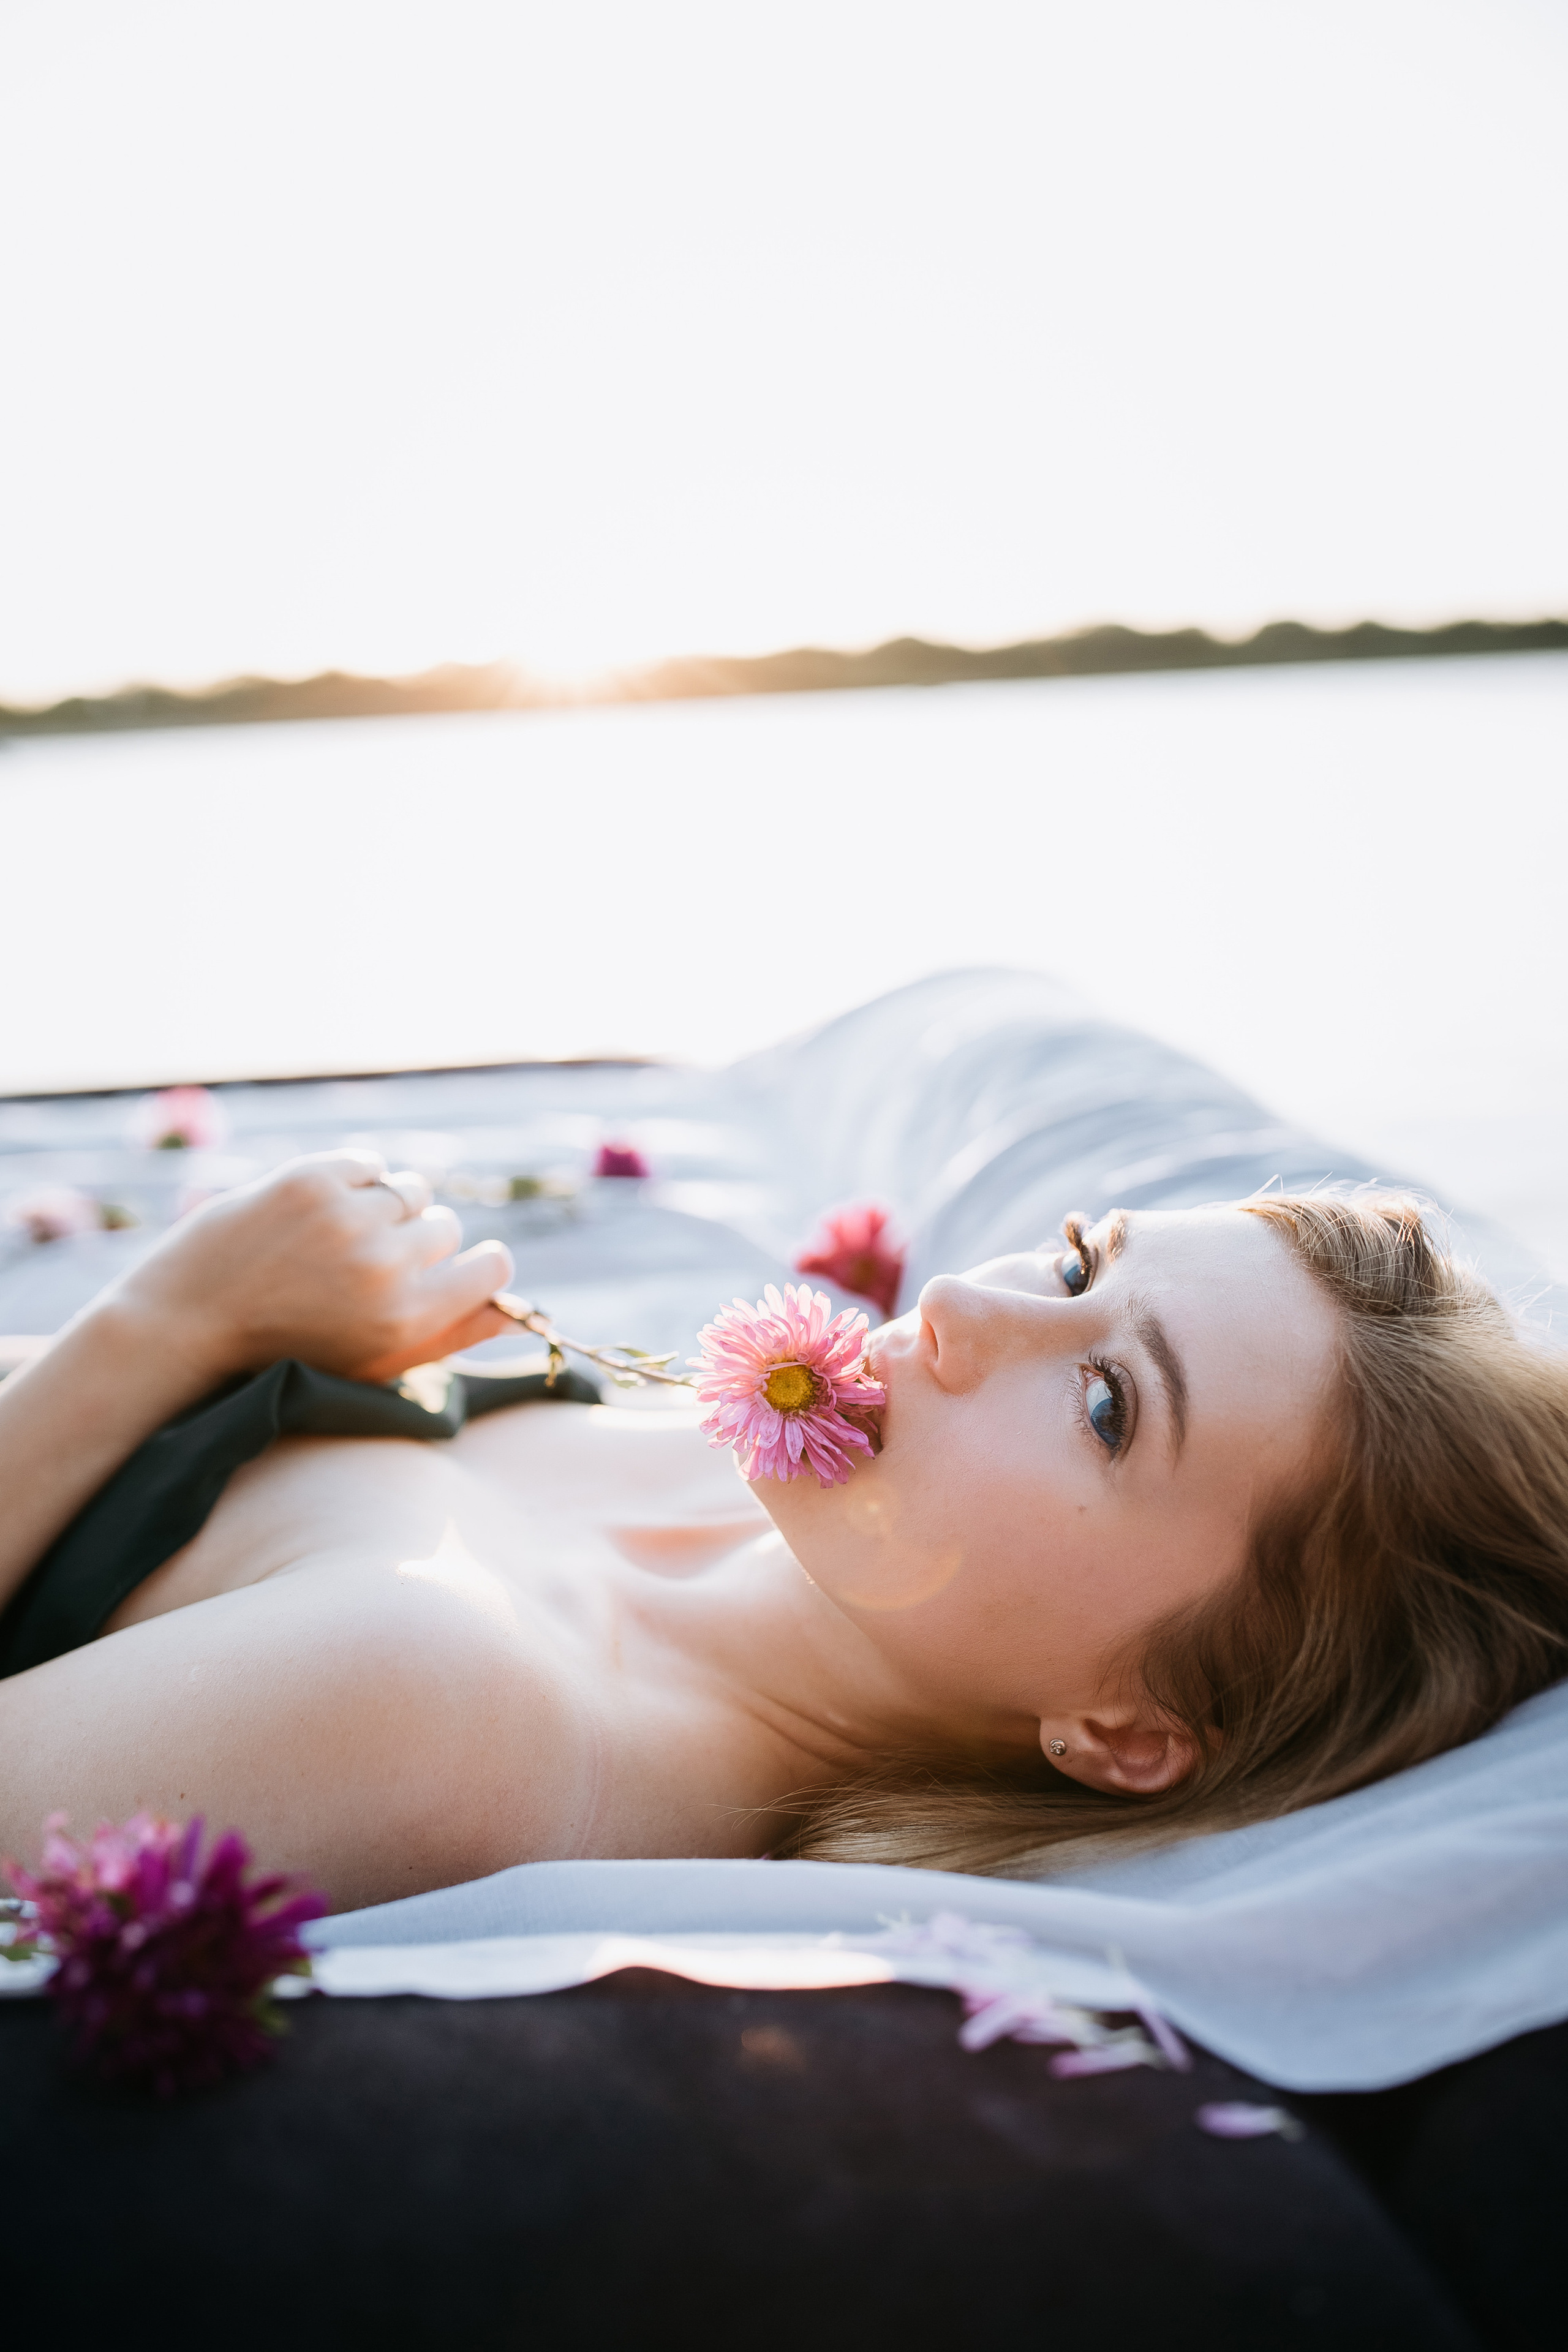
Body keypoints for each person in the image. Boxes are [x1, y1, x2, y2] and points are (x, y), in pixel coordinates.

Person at [1, 1148, 1565, 1912]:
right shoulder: (718, 1466)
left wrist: (165, 1319)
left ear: (1135, 1727)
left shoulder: (441, 1708)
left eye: (1104, 1404)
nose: (958, 1304)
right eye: (1080, 1262)